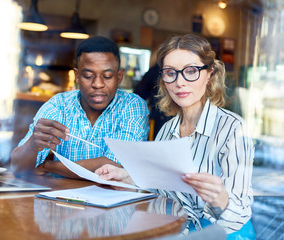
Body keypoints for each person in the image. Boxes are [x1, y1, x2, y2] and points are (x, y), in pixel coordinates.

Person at [95, 34, 255, 239]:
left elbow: (239, 215)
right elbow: (161, 192)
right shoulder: (167, 130)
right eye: (171, 73)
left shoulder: (233, 128)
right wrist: (127, 178)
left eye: (191, 71)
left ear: (210, 74)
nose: (180, 82)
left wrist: (221, 200)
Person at [11, 36, 149, 178]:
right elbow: (17, 166)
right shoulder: (59, 105)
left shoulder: (132, 106)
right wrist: (32, 145)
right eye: (88, 76)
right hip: (62, 196)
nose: (97, 84)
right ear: (77, 76)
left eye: (107, 76)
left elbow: (116, 164)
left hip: (111, 198)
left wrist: (49, 166)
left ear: (119, 77)